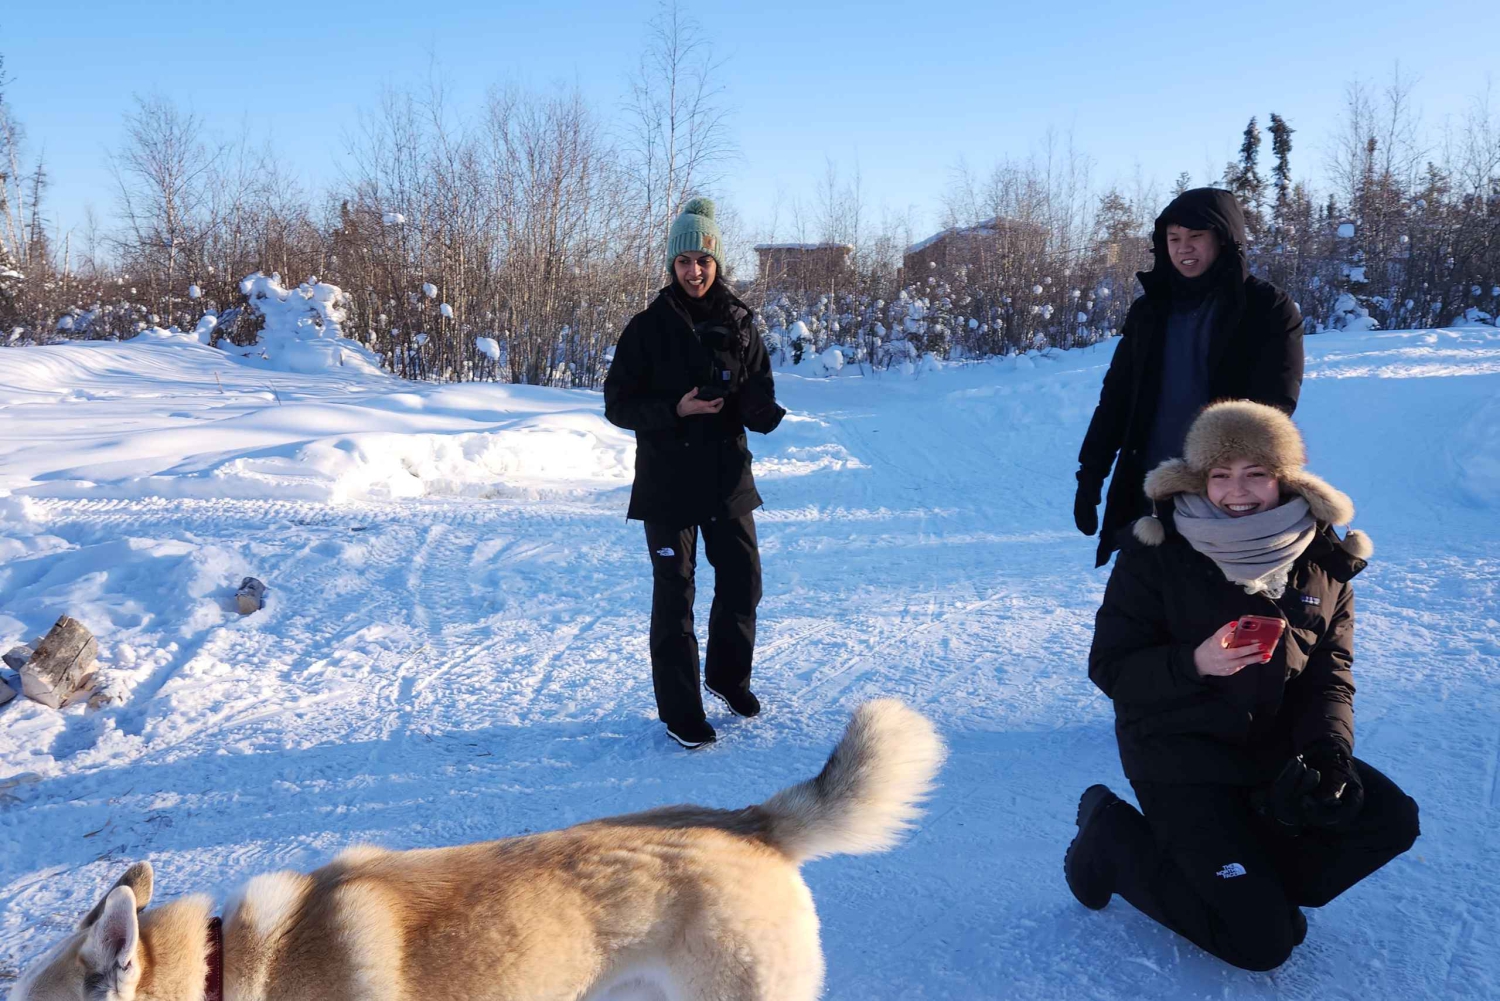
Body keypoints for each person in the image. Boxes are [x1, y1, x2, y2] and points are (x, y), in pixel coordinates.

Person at [1064, 400, 1419, 971]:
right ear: (1199, 479)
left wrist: (1329, 751)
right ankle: (1110, 837)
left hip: (1271, 753)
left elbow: (1330, 675)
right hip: (1179, 758)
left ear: (1285, 479)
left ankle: (1253, 889)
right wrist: (1195, 663)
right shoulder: (1158, 552)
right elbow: (1110, 667)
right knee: (1261, 943)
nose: (1236, 491)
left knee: (1387, 818)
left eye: (1256, 473)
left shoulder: (1324, 561)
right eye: (1220, 474)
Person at [603, 197, 786, 750]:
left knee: (743, 581)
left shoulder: (741, 322)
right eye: (684, 261)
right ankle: (681, 712)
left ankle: (727, 679)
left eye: (703, 260)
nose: (694, 271)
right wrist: (675, 409)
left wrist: (753, 405)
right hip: (668, 482)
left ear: (717, 263)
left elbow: (760, 389)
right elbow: (617, 405)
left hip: (727, 474)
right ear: (672, 265)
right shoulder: (646, 328)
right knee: (674, 594)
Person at [1075, 188, 1305, 568]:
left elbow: (1275, 404)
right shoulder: (1150, 311)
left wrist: (1228, 479)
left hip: (1225, 499)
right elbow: (1117, 399)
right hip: (1150, 492)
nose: (1184, 248)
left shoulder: (1267, 308)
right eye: (1174, 238)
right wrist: (1090, 475)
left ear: (1224, 239)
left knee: (1219, 598)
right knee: (1138, 598)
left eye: (1196, 236)